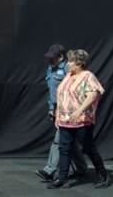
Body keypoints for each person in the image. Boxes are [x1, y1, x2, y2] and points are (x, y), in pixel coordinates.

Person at [48, 49, 110, 189]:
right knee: (64, 149)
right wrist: (58, 115)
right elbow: (61, 96)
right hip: (65, 120)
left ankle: (103, 174)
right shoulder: (68, 76)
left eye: (71, 62)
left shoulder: (88, 76)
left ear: (79, 63)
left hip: (82, 120)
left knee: (88, 148)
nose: (68, 64)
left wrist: (79, 111)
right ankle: (62, 178)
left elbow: (93, 95)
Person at [36, 44, 87, 182]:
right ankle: (82, 168)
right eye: (49, 58)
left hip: (67, 110)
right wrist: (52, 108)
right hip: (57, 109)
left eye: (53, 58)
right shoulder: (50, 69)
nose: (50, 61)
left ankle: (49, 170)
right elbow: (52, 91)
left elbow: (74, 89)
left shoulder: (68, 69)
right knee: (69, 142)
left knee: (58, 141)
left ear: (61, 57)